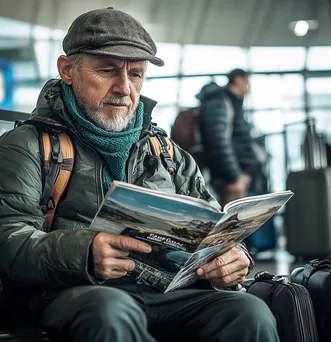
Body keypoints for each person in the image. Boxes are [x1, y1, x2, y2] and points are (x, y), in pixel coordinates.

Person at [0, 8, 279, 342]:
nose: (124, 88)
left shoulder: (167, 153)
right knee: (111, 310)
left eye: (136, 74)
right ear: (67, 70)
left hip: (164, 292)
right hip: (73, 291)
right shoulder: (28, 146)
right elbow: (7, 238)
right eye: (107, 71)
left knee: (248, 312)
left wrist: (232, 258)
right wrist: (84, 253)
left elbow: (216, 229)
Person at [197, 69, 267, 206]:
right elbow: (218, 142)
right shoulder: (219, 103)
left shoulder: (232, 103)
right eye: (246, 82)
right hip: (231, 181)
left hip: (240, 179)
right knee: (232, 224)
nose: (248, 87)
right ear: (237, 79)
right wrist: (235, 176)